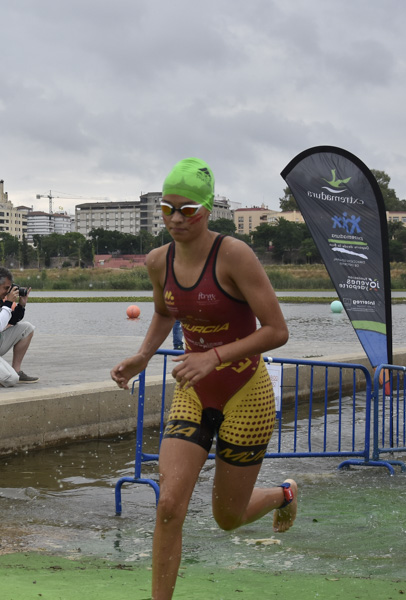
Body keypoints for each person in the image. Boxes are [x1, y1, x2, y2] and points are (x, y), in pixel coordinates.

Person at [109, 158, 295, 600]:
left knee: (227, 517)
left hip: (246, 394)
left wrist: (214, 356)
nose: (176, 219)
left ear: (208, 209)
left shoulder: (233, 255)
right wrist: (142, 355)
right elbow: (162, 312)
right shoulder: (158, 262)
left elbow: (277, 330)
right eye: (168, 209)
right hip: (194, 392)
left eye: (187, 209)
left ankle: (283, 495)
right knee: (169, 506)